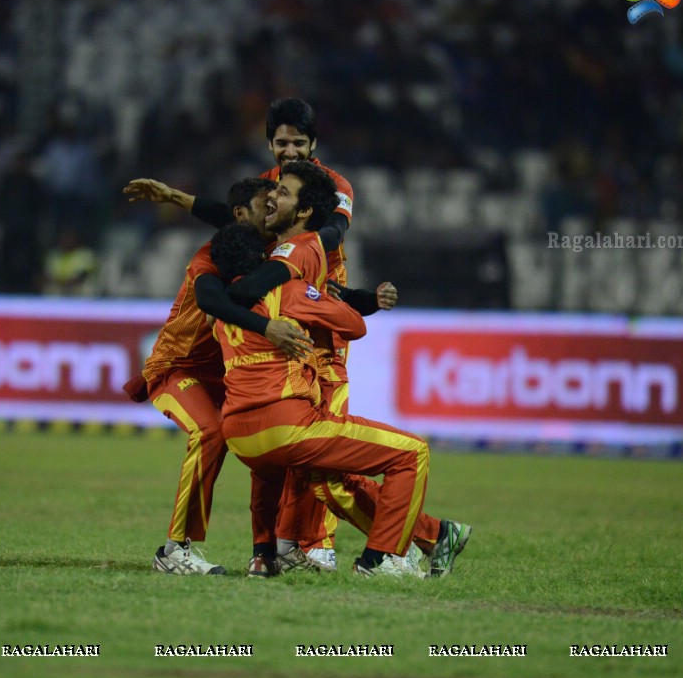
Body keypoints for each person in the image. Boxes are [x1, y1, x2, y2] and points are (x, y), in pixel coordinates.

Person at [123, 98, 357, 568]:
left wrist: (339, 288)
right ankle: (189, 551)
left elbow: (330, 233)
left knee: (291, 439)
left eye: (298, 142)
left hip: (297, 325)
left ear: (313, 144)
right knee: (242, 435)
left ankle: (293, 547)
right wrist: (177, 199)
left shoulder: (328, 191)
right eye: (281, 141)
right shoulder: (223, 252)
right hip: (209, 355)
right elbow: (215, 285)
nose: (288, 150)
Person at [228, 161, 471, 577]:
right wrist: (323, 302)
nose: (272, 195)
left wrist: (337, 297)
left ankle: (279, 551)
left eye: (283, 191)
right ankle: (381, 556)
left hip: (240, 421)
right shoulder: (290, 257)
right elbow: (347, 320)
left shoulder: (275, 251)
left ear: (305, 211)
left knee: (325, 480)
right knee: (399, 457)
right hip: (293, 403)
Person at [124, 178, 315, 576]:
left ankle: (271, 550)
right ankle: (174, 550)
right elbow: (210, 298)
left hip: (227, 378)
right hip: (176, 368)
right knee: (209, 432)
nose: (272, 210)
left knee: (273, 440)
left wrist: (177, 196)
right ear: (242, 215)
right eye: (265, 205)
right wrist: (267, 329)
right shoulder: (212, 256)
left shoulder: (269, 252)